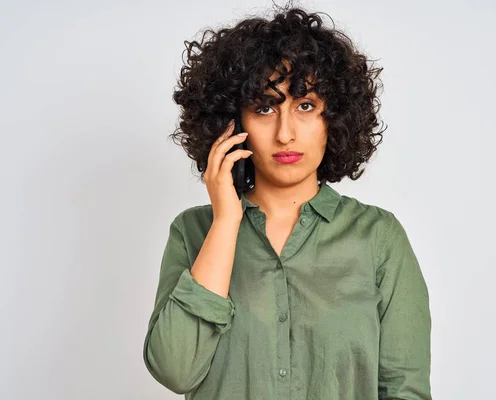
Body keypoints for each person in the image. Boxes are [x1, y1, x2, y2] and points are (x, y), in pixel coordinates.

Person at [142, 5, 432, 399]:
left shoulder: (378, 238)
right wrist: (226, 220)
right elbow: (175, 370)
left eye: (306, 106)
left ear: (335, 117)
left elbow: (405, 389)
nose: (285, 134)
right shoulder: (192, 232)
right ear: (233, 123)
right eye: (264, 108)